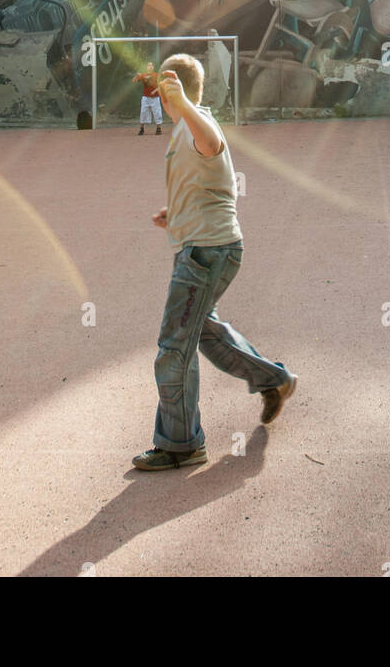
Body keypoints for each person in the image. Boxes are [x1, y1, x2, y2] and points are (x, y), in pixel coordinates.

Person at [132, 53, 297, 470]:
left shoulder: (195, 124)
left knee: (173, 349)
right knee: (203, 334)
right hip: (206, 247)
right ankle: (273, 380)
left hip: (206, 253)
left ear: (173, 88)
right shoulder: (184, 128)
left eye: (160, 86)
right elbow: (209, 182)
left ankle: (182, 444)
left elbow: (212, 144)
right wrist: (175, 214)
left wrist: (183, 104)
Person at [133, 61, 163, 136]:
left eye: (151, 65)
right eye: (148, 65)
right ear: (146, 67)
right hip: (145, 97)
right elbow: (134, 81)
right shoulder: (143, 75)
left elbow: (161, 86)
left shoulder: (156, 75)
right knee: (143, 112)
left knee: (157, 113)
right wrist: (136, 76)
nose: (150, 67)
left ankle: (158, 129)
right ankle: (141, 129)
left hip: (155, 98)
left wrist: (154, 91)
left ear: (153, 67)